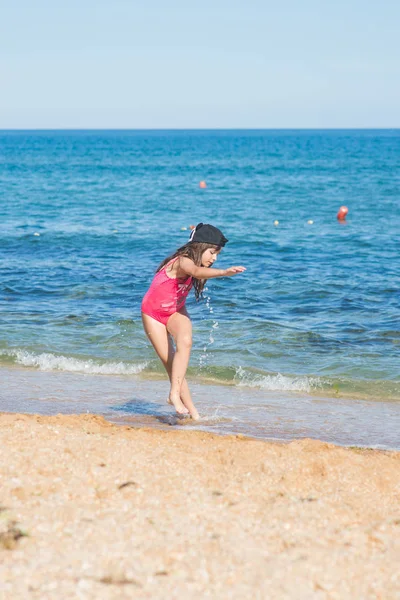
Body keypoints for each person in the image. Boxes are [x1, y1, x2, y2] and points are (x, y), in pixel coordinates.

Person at [141, 223, 246, 420]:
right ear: (200, 247)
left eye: (217, 255)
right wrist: (224, 272)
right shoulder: (183, 261)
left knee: (186, 341)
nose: (214, 258)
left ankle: (191, 411)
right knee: (171, 363)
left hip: (175, 310)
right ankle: (178, 398)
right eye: (212, 252)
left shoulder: (196, 264)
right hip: (152, 313)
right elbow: (195, 272)